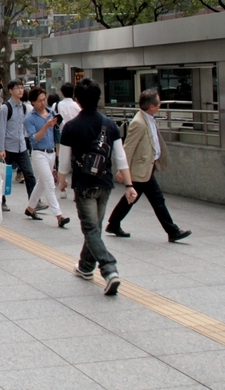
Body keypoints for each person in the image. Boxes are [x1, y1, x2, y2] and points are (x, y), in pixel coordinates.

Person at [57, 78, 138, 296]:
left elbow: (64, 161)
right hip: (105, 183)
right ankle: (85, 267)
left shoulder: (70, 127)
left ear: (77, 100)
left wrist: (62, 180)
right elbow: (121, 158)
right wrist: (129, 185)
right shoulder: (110, 125)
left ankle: (109, 269)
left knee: (91, 229)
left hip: (84, 184)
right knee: (95, 228)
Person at [106, 89, 191, 242]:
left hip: (147, 167)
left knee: (132, 197)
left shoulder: (149, 118)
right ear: (151, 106)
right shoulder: (138, 123)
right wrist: (121, 169)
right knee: (157, 200)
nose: (160, 105)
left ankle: (113, 223)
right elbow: (129, 147)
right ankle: (172, 231)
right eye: (158, 103)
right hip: (140, 169)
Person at [23, 88, 70, 228]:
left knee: (42, 182)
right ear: (32, 102)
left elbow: (57, 130)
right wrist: (46, 126)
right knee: (49, 183)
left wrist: (55, 123)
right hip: (39, 153)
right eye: (39, 101)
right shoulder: (29, 118)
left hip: (51, 152)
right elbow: (34, 139)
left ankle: (30, 208)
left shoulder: (51, 112)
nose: (43, 103)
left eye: (44, 99)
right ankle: (59, 216)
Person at [0, 80, 37, 196]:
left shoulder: (23, 107)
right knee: (4, 175)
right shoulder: (6, 108)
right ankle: (1, 201)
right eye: (17, 88)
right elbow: (2, 129)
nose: (21, 90)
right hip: (8, 147)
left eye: (22, 87)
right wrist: (1, 149)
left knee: (29, 174)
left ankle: (34, 201)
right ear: (10, 90)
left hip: (21, 146)